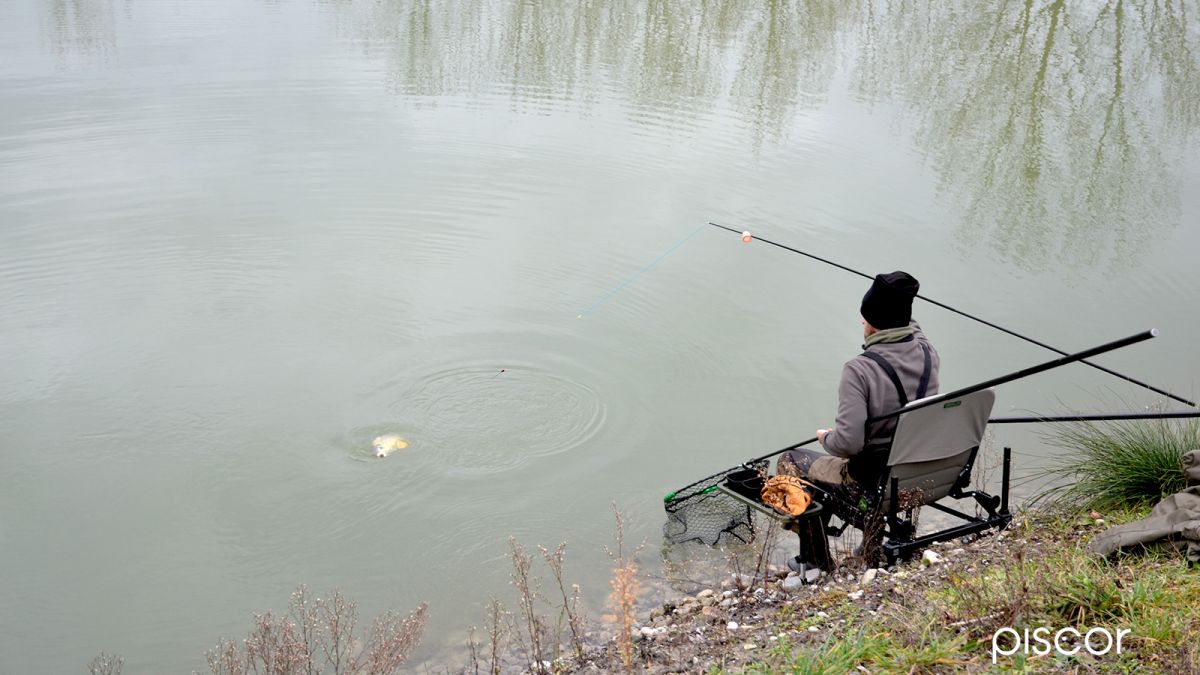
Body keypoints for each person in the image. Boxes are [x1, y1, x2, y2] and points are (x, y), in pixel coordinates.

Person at [779, 271, 940, 497]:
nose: (862, 321)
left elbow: (848, 444)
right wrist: (900, 298)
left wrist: (825, 437)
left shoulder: (859, 370)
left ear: (872, 324)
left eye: (865, 318)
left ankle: (816, 532)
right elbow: (910, 325)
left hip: (871, 481)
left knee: (790, 461)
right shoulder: (927, 350)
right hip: (918, 470)